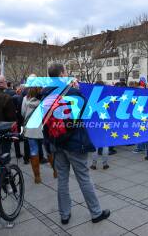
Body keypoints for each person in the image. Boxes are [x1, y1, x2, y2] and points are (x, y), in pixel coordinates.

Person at [45, 62, 110, 224]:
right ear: (61, 75)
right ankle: (96, 213)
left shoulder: (44, 93)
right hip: (74, 142)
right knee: (84, 178)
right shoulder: (72, 92)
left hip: (56, 141)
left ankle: (64, 214)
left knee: (62, 179)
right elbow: (86, 113)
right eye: (65, 72)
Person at [22, 87, 54, 183]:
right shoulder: (44, 101)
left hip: (31, 128)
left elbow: (23, 113)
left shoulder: (25, 100)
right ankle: (55, 171)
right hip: (43, 128)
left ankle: (37, 177)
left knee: (33, 151)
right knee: (48, 149)